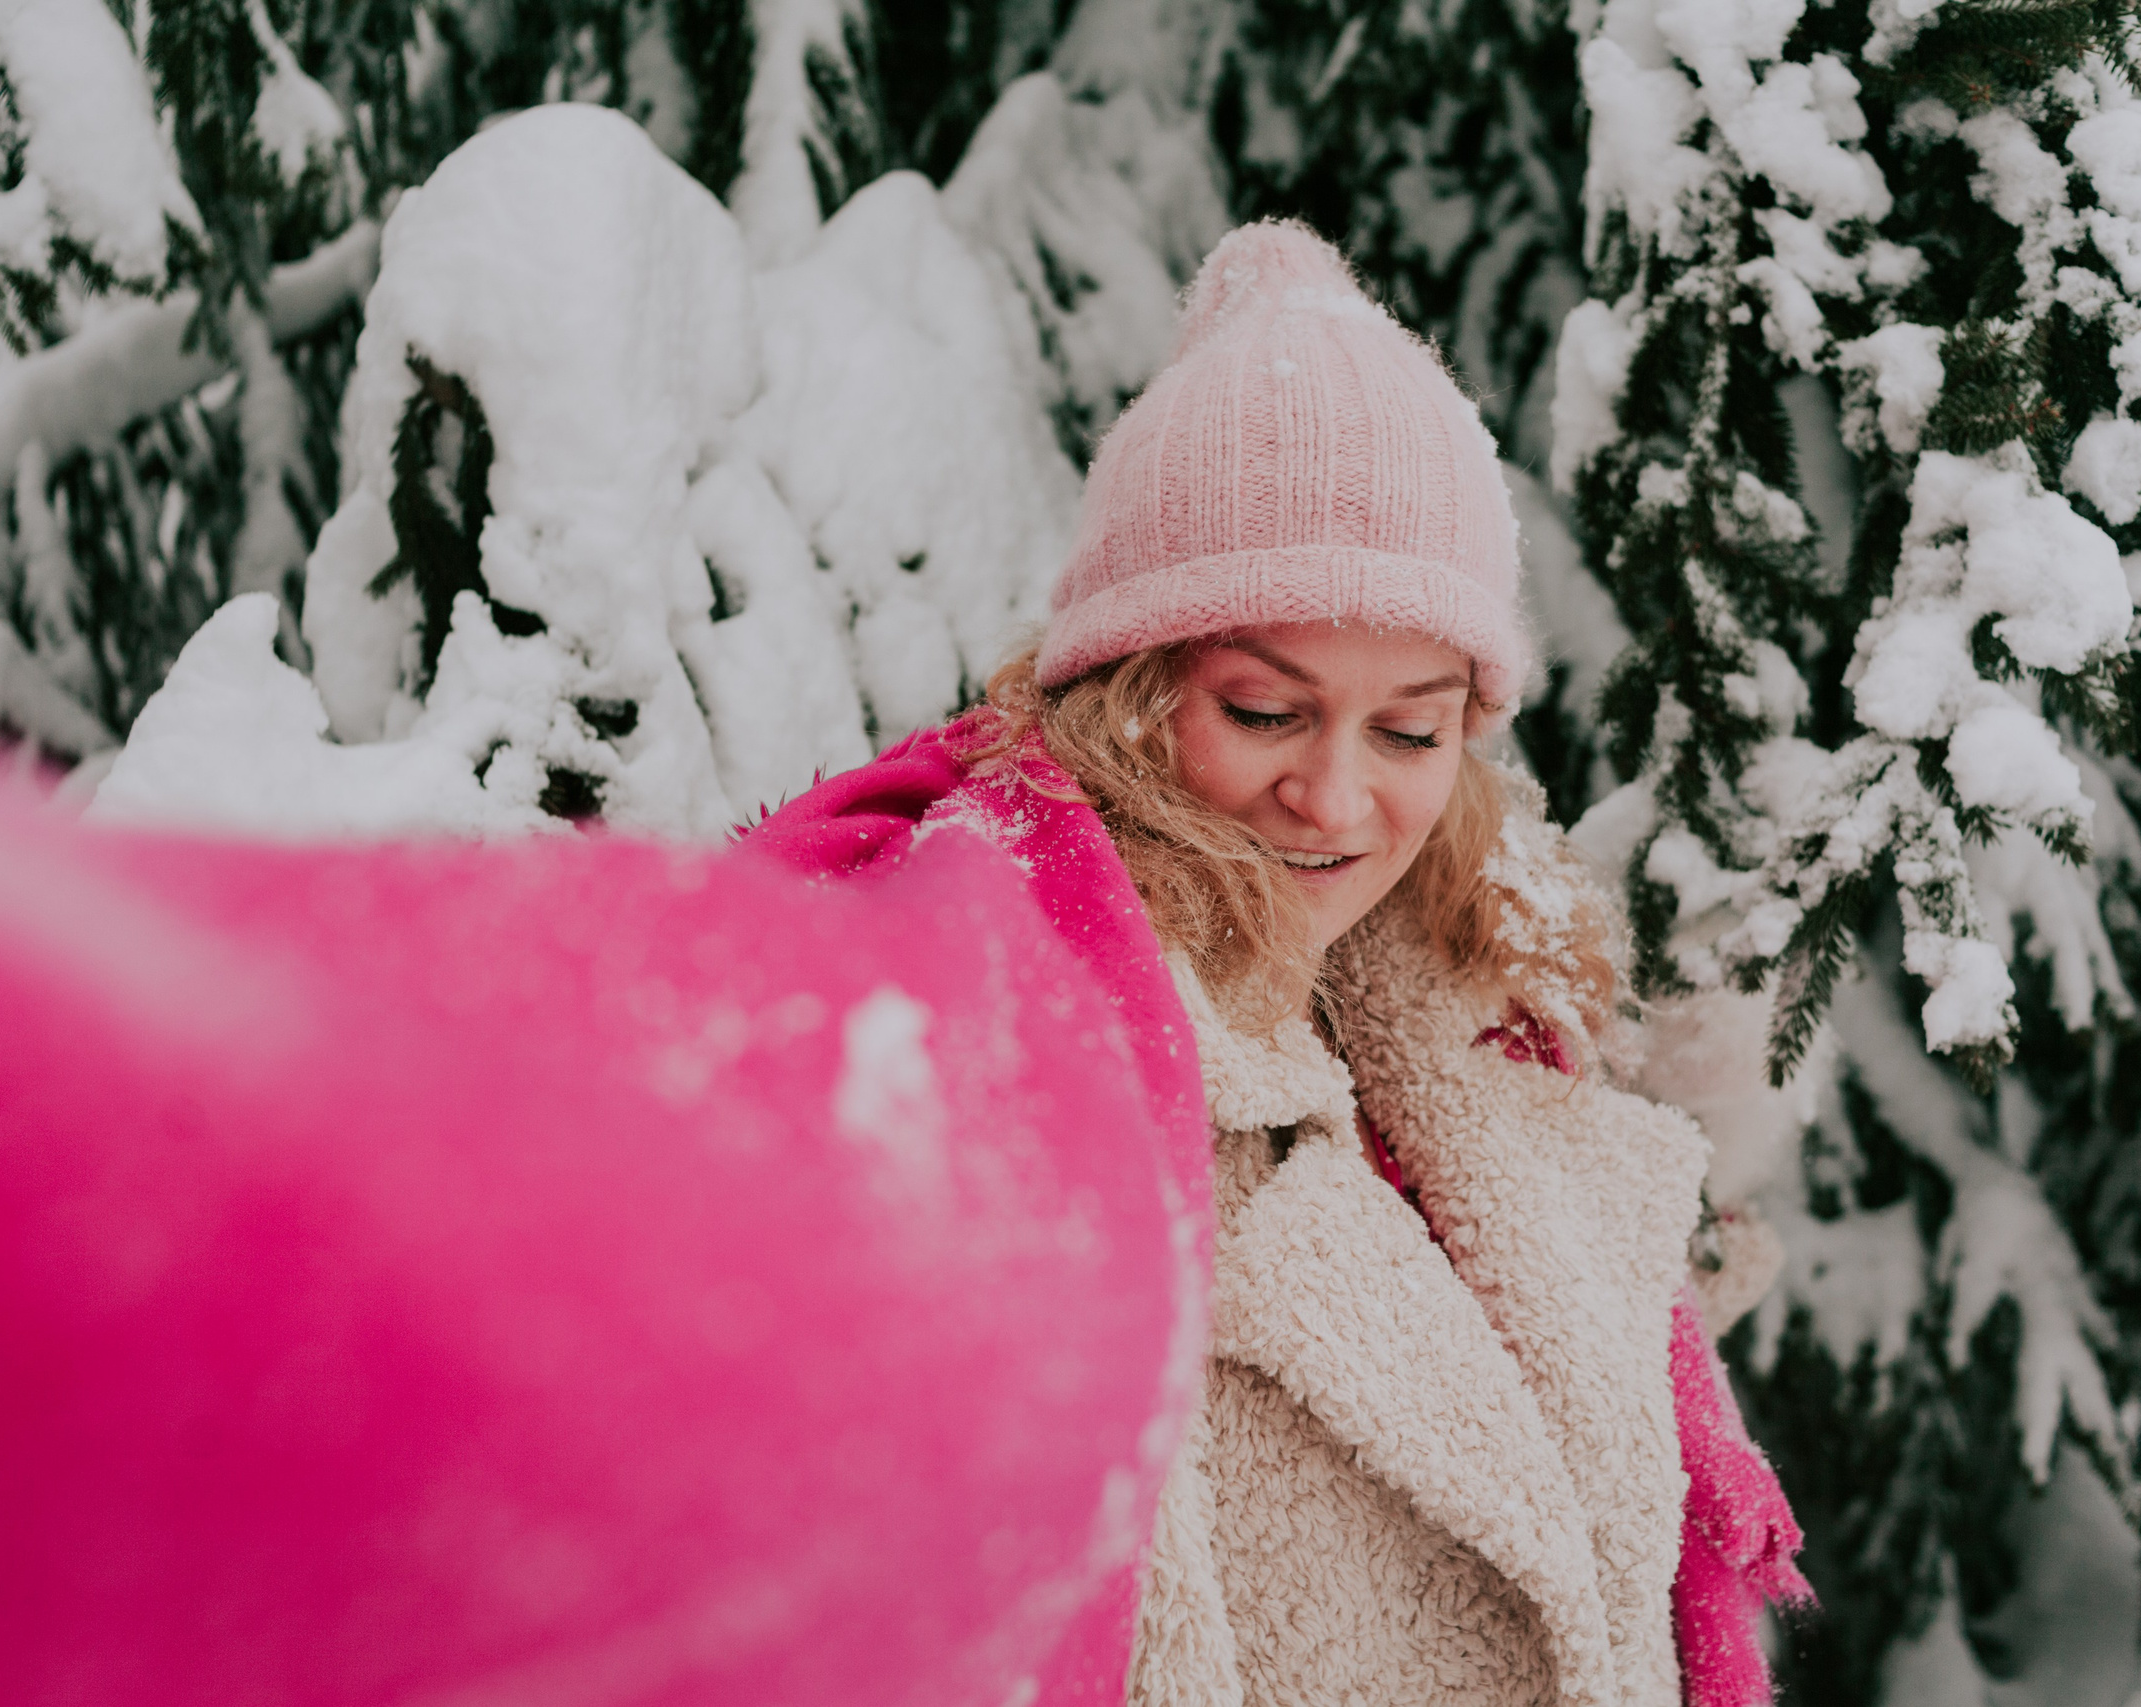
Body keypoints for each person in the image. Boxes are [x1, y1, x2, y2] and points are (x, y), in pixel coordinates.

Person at [762, 220, 1807, 1707]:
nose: (1336, 797)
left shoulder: (1478, 1044)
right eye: (1264, 711)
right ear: (1125, 690)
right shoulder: (1005, 1038)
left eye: (1409, 728)